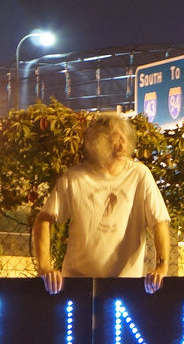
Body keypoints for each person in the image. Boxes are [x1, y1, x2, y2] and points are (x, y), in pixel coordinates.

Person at [32, 112, 171, 294]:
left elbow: (159, 221)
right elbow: (43, 219)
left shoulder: (139, 175)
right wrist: (44, 267)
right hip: (78, 284)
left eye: (125, 137)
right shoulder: (74, 178)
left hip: (126, 285)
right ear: (99, 141)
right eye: (116, 137)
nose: (122, 144)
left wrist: (162, 266)